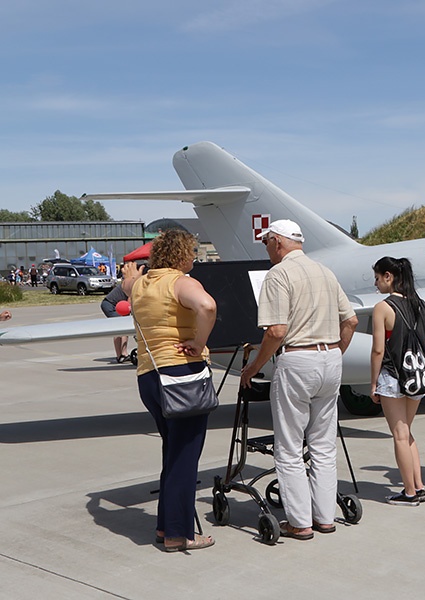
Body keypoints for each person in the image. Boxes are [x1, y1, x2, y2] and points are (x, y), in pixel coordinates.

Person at [240, 219, 358, 540]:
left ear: (278, 243)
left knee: (289, 446)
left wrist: (253, 368)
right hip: (330, 358)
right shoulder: (325, 271)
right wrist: (335, 353)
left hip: (298, 358)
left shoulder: (278, 274)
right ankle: (325, 518)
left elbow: (276, 331)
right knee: (322, 444)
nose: (266, 248)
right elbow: (350, 320)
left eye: (267, 242)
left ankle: (300, 522)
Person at [123, 230, 217, 552]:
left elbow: (125, 288)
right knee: (185, 457)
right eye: (191, 251)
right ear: (179, 255)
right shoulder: (180, 281)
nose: (194, 257)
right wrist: (199, 343)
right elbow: (207, 306)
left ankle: (166, 526)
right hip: (181, 375)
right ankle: (180, 534)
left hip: (149, 376)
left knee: (173, 453)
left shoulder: (141, 286)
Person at [369, 257, 425, 506]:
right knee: (407, 433)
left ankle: (409, 492)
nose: (376, 283)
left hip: (394, 377)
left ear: (389, 276)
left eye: (377, 278)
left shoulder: (383, 308)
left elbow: (378, 350)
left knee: (399, 435)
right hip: (419, 376)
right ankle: (418, 486)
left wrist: (373, 383)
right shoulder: (421, 304)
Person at [101, 281, 134, 363]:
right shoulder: (132, 284)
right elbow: (130, 303)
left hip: (120, 306)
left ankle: (123, 354)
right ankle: (121, 355)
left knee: (124, 328)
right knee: (121, 329)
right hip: (110, 305)